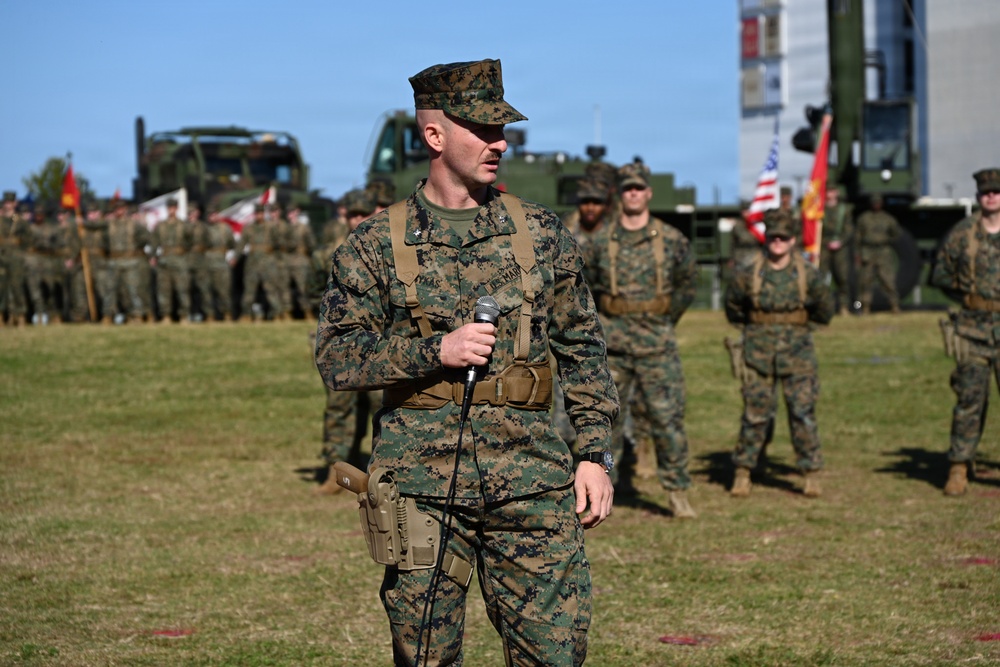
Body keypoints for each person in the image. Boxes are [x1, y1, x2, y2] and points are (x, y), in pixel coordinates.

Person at [315, 58, 619, 666]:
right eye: (483, 129)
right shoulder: (376, 243)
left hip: (532, 483)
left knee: (555, 659)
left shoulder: (539, 233)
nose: (500, 143)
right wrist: (438, 351)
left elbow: (582, 347)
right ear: (435, 137)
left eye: (502, 129)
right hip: (420, 490)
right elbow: (337, 358)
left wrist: (593, 454)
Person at [581, 161, 698, 517]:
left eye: (639, 188)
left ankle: (677, 491)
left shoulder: (671, 239)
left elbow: (688, 284)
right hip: (614, 346)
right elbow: (586, 288)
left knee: (667, 419)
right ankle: (600, 492)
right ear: (621, 195)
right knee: (606, 422)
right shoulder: (601, 241)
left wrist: (662, 317)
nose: (634, 194)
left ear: (648, 193)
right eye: (627, 188)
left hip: (657, 344)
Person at [725, 209, 834, 498]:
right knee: (755, 414)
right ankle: (744, 470)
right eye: (773, 236)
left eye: (783, 237)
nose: (777, 242)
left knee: (802, 413)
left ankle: (810, 471)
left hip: (798, 354)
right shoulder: (748, 273)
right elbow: (733, 307)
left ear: (793, 240)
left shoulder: (808, 274)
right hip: (758, 353)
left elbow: (825, 310)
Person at [930, 168, 1000, 496]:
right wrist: (969, 297)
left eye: (997, 191)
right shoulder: (962, 234)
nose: (992, 196)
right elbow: (941, 274)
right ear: (978, 197)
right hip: (972, 329)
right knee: (970, 399)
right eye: (987, 192)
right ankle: (959, 465)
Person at [312, 188, 379, 495]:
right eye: (353, 214)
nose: (358, 219)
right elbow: (315, 289)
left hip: (381, 346)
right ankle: (336, 471)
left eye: (363, 213)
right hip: (343, 347)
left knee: (383, 409)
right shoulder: (333, 252)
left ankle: (382, 476)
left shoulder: (388, 249)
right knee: (340, 408)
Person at [855, 193, 901, 314]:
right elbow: (857, 237)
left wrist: (886, 241)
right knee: (865, 282)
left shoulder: (888, 219)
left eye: (878, 202)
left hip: (883, 252)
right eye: (874, 202)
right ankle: (863, 307)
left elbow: (896, 234)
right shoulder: (864, 218)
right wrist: (858, 254)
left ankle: (895, 306)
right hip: (867, 252)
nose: (876, 204)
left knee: (888, 281)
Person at [150, 198, 193, 324]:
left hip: (180, 260)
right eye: (169, 207)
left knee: (182, 289)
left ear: (177, 208)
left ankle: (184, 315)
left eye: (174, 207)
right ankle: (166, 315)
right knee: (164, 289)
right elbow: (154, 242)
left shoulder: (184, 225)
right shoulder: (160, 225)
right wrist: (153, 256)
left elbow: (191, 241)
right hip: (164, 260)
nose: (171, 210)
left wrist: (188, 256)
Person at [238, 203, 280, 322]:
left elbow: (279, 243)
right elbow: (241, 244)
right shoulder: (249, 228)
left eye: (261, 213)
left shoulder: (271, 227)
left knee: (270, 289)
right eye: (257, 213)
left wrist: (277, 259)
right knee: (249, 290)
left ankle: (277, 313)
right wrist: (235, 257)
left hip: (268, 261)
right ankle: (246, 314)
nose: (259, 216)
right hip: (252, 262)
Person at [192, 209, 236, 322]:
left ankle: (227, 314)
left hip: (221, 263)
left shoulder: (225, 229)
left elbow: (232, 244)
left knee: (223, 291)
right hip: (206, 263)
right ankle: (209, 315)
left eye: (214, 214)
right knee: (205, 291)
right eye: (210, 215)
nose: (212, 217)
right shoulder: (202, 229)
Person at [820, 185, 854, 315]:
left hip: (840, 247)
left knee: (842, 277)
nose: (830, 194)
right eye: (828, 191)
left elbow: (849, 230)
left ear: (837, 193)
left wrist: (841, 242)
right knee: (822, 277)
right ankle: (823, 306)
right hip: (824, 246)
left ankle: (844, 306)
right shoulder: (820, 209)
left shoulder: (844, 210)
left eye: (832, 191)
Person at [0, 191, 30, 327]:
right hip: (1, 256)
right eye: (6, 202)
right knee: (1, 287)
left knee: (16, 286)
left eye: (10, 202)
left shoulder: (20, 221)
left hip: (15, 257)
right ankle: (2, 316)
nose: (8, 205)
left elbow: (29, 239)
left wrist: (21, 251)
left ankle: (20, 315)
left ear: (15, 203)